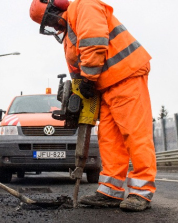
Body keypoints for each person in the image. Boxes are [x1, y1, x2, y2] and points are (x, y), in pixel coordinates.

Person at [29, 0, 156, 211]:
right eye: (48, 24)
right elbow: (75, 69)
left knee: (135, 134)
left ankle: (141, 193)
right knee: (109, 138)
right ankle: (110, 191)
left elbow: (94, 42)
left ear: (57, 7)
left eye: (50, 19)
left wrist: (88, 79)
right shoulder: (69, 34)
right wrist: (79, 92)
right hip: (104, 85)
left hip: (125, 75)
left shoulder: (84, 6)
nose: (54, 26)